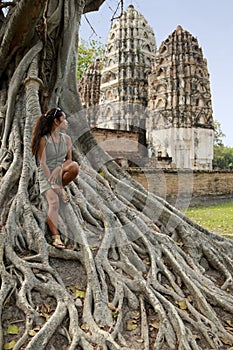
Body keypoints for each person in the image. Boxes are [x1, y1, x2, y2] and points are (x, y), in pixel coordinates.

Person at [31, 107, 79, 249]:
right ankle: (55, 237)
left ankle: (60, 187)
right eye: (64, 119)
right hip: (45, 174)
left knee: (75, 166)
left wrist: (59, 168)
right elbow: (43, 163)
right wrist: (52, 183)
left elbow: (69, 161)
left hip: (60, 172)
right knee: (54, 202)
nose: (67, 122)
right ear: (56, 121)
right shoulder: (43, 140)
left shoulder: (67, 139)